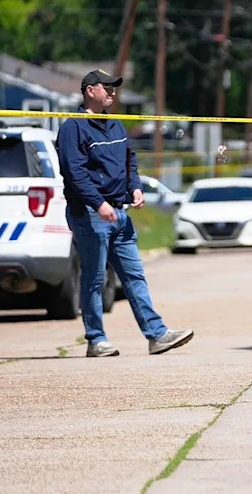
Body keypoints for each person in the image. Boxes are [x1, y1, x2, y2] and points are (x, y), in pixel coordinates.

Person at [59, 70, 194, 358]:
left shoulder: (115, 125)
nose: (112, 92)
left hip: (120, 214)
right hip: (91, 214)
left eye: (114, 88)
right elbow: (75, 173)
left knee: (135, 276)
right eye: (106, 87)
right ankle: (96, 340)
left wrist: (135, 187)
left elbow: (129, 161)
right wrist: (99, 204)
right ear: (89, 90)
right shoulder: (73, 127)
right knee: (94, 279)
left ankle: (157, 335)